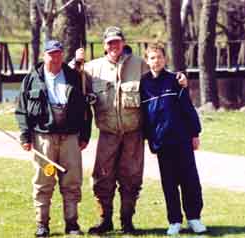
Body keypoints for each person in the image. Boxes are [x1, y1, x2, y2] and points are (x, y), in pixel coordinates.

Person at [73, 26, 188, 234]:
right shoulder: (91, 68)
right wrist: (75, 63)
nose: (113, 46)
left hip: (134, 135)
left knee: (132, 179)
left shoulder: (140, 65)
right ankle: (105, 220)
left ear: (123, 43)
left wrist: (179, 78)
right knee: (102, 179)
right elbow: (72, 81)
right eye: (109, 43)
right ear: (104, 46)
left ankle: (127, 222)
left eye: (117, 41)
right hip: (107, 135)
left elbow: (159, 72)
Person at [15, 40, 92, 237]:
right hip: (44, 140)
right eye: (51, 54)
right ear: (44, 55)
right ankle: (42, 225)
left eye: (58, 54)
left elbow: (85, 110)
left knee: (72, 182)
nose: (55, 58)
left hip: (70, 139)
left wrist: (85, 135)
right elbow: (21, 110)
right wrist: (25, 136)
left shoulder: (75, 77)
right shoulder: (32, 79)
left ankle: (72, 224)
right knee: (44, 181)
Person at [140, 43, 206, 236]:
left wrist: (195, 133)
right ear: (147, 61)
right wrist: (149, 139)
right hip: (161, 142)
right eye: (152, 57)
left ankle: (194, 218)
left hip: (182, 139)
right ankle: (174, 221)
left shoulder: (175, 80)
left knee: (189, 180)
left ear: (165, 59)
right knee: (169, 183)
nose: (156, 60)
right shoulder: (143, 84)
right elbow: (144, 115)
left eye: (159, 57)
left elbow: (187, 107)